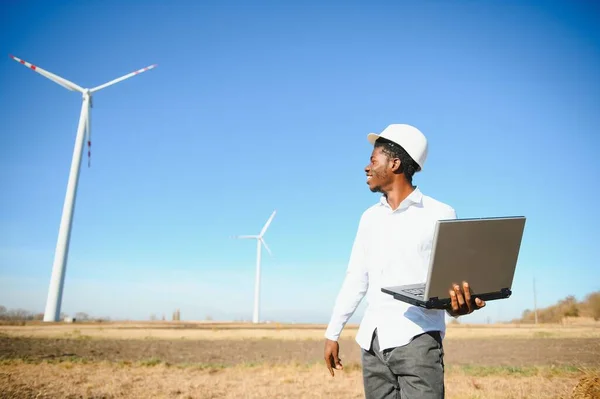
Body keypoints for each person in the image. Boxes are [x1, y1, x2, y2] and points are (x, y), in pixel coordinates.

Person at [323, 123, 486, 399]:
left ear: (395, 163)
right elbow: (356, 279)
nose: (366, 167)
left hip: (418, 341)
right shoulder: (369, 218)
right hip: (372, 345)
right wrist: (332, 333)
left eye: (373, 160)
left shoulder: (440, 213)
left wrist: (459, 308)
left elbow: (452, 283)